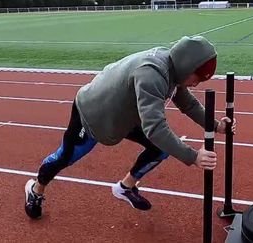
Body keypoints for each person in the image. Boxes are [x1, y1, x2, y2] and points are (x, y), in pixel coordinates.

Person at [24, 35, 237, 219]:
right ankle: (36, 190)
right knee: (65, 157)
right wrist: (193, 157)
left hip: (127, 115)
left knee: (161, 148)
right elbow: (155, 128)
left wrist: (216, 126)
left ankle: (125, 187)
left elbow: (188, 104)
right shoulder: (152, 74)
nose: (196, 84)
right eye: (197, 78)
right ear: (187, 66)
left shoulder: (174, 70)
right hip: (92, 113)